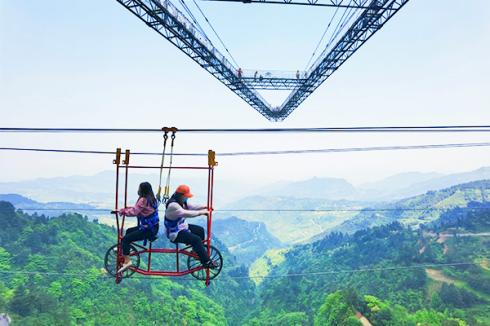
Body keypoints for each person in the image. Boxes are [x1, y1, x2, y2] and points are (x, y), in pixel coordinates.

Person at [165, 185, 215, 268]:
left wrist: (204, 207)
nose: (186, 198)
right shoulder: (173, 206)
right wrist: (202, 212)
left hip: (181, 227)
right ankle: (206, 261)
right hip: (174, 233)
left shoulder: (180, 202)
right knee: (196, 239)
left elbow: (192, 206)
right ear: (181, 196)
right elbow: (187, 213)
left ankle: (197, 251)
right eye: (186, 197)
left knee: (200, 230)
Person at [117, 182, 159, 273]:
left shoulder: (143, 200)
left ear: (142, 190)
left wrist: (122, 211)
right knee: (129, 231)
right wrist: (124, 210)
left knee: (126, 239)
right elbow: (138, 209)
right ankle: (124, 250)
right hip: (153, 227)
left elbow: (134, 212)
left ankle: (127, 261)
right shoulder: (152, 199)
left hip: (147, 229)